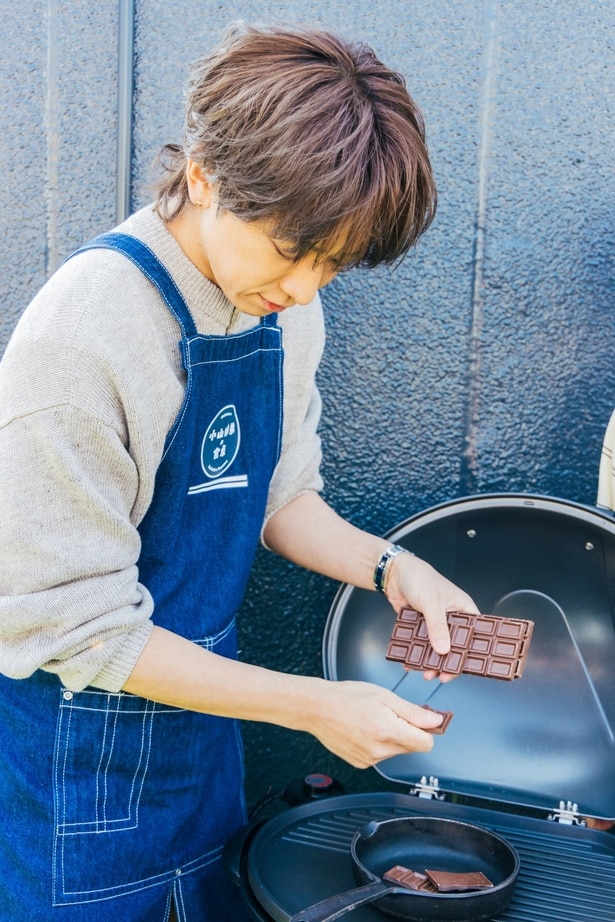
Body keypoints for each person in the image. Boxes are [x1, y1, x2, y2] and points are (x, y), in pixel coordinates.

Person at [0, 22, 478, 921]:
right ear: (204, 177)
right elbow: (79, 628)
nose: (304, 289)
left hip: (205, 739)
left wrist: (391, 569)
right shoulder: (82, 339)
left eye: (334, 264)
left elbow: (279, 496)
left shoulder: (283, 309)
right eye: (293, 251)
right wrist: (312, 706)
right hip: (75, 774)